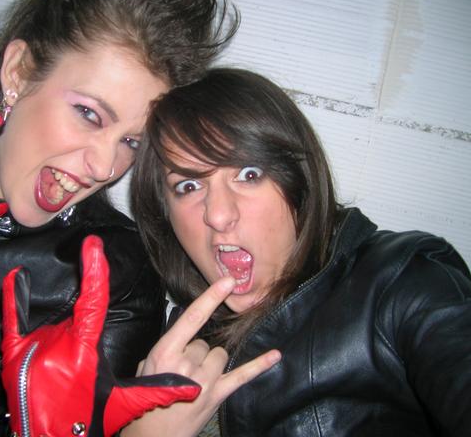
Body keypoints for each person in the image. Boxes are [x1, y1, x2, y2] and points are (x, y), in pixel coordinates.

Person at [0, 0, 238, 435]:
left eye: (131, 142)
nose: (104, 168)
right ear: (19, 72)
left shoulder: (117, 274)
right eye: (89, 114)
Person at [124, 67, 471, 436]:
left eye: (249, 174)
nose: (219, 215)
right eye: (189, 186)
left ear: (298, 180)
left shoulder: (402, 280)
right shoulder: (177, 342)